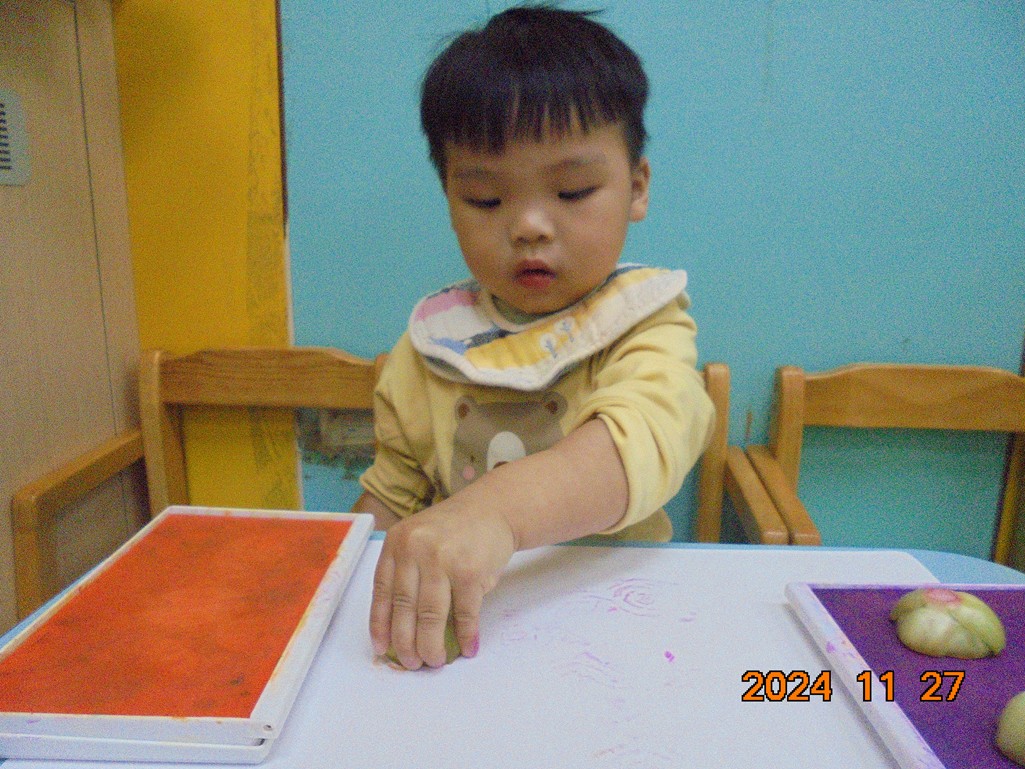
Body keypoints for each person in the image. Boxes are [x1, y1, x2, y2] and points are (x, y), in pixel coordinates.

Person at [353, 4, 714, 670]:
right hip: (466, 639)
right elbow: (389, 504)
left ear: (636, 188)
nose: (528, 226)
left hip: (615, 624)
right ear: (449, 200)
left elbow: (639, 440)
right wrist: (348, 579)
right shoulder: (434, 346)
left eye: (572, 191)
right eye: (485, 200)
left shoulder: (644, 325)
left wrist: (494, 513)